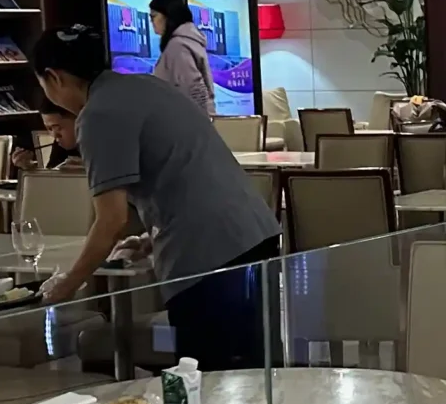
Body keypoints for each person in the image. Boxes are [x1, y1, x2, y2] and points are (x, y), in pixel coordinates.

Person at [27, 25, 278, 370]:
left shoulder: (98, 114)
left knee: (208, 382)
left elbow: (110, 219)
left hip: (205, 257)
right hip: (254, 235)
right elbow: (186, 171)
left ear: (53, 77)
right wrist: (152, 236)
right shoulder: (146, 86)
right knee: (258, 375)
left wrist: (68, 284)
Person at [146, 0, 214, 114]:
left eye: (153, 16)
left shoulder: (178, 46)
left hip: (186, 123)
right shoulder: (189, 40)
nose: (151, 22)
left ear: (167, 16)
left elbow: (193, 88)